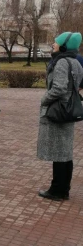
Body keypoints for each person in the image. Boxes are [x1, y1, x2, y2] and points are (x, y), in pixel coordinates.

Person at [37, 32, 83, 201]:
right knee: (65, 152)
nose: (53, 45)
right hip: (68, 111)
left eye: (56, 42)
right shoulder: (75, 61)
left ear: (64, 46)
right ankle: (63, 189)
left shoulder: (62, 62)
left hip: (59, 111)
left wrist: (44, 99)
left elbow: (59, 88)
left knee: (59, 153)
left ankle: (57, 190)